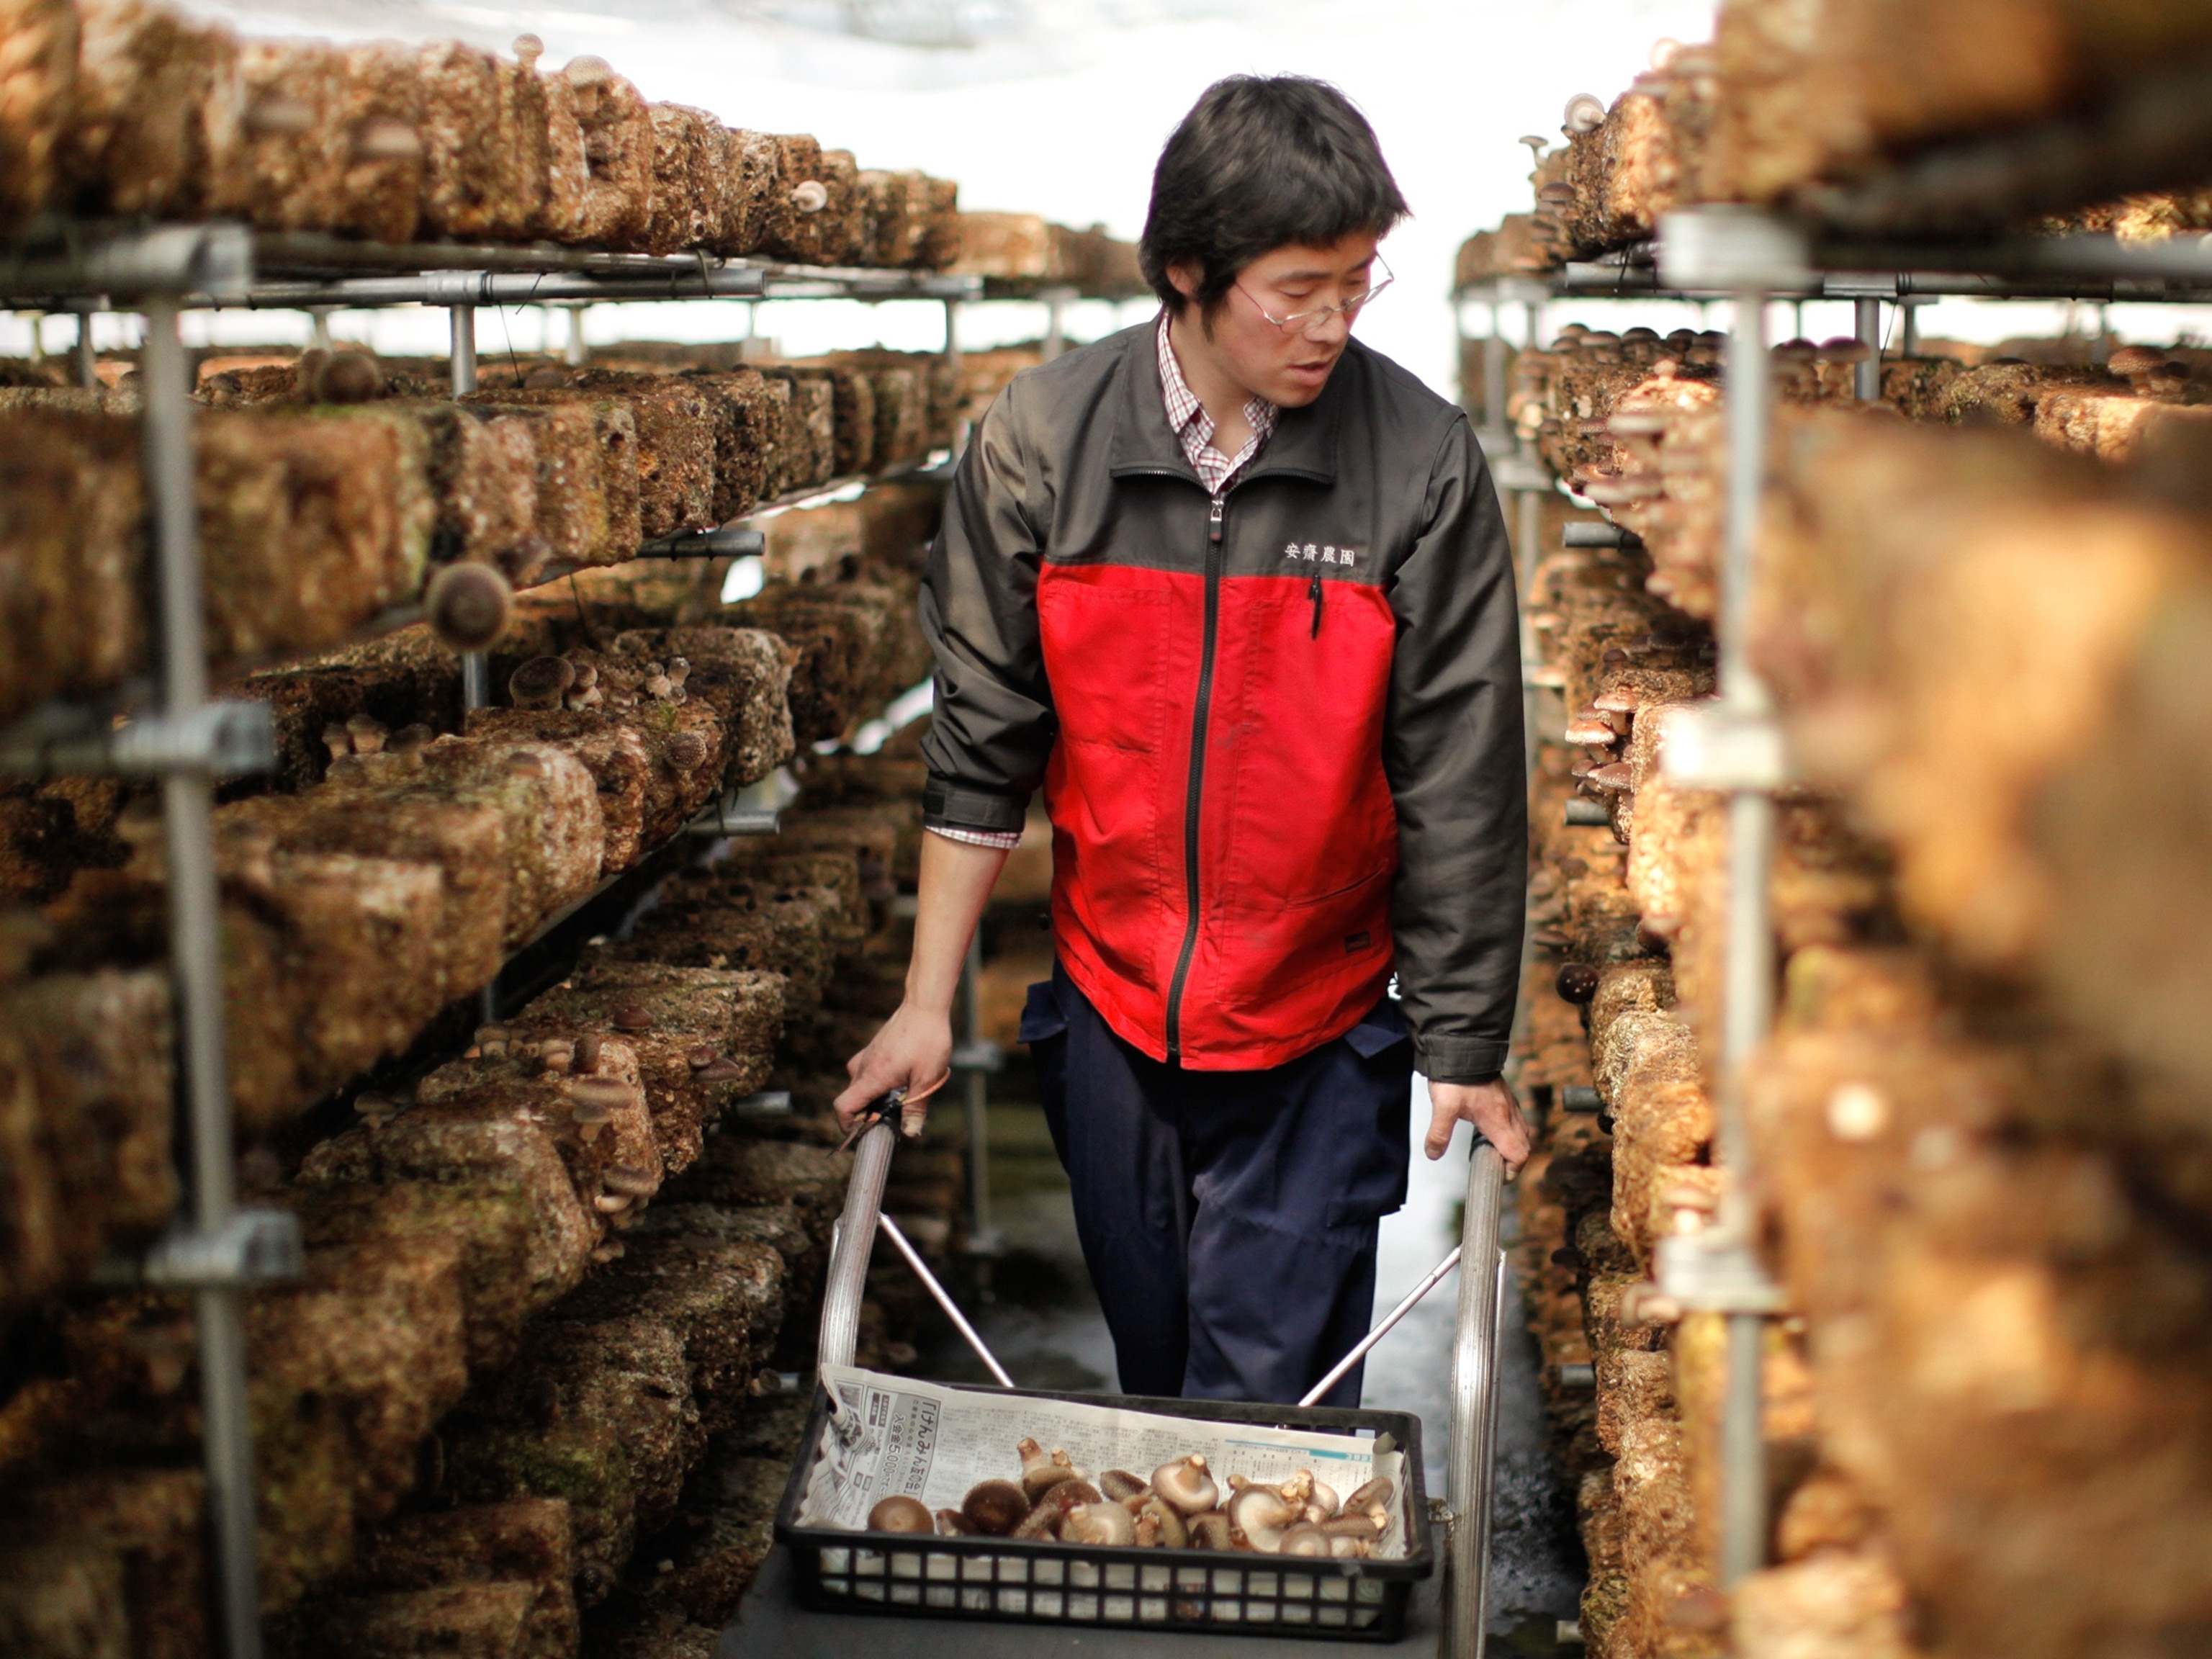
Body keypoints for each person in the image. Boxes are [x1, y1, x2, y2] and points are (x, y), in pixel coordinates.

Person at [836, 74, 1529, 1408]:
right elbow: (983, 741)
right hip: (1110, 1011)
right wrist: (929, 1002)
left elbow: (1462, 777)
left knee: (1256, 1406)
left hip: (1319, 1027)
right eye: (1297, 289)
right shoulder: (1043, 445)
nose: (1332, 322)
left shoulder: (1422, 462)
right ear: (1187, 272)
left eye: (1360, 283)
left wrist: (1461, 1044)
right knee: (1157, 1383)